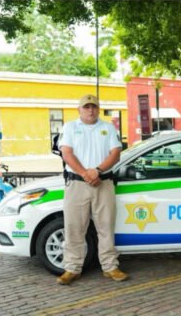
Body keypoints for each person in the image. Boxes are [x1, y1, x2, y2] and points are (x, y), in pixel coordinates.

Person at [56, 94, 127, 285]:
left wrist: (96, 171)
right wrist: (86, 174)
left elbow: (115, 153)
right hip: (77, 184)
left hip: (103, 183)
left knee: (106, 227)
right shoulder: (70, 127)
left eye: (94, 107)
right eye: (86, 107)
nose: (90, 110)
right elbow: (67, 153)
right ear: (79, 109)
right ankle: (72, 268)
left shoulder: (108, 128)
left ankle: (110, 266)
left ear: (98, 109)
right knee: (74, 228)